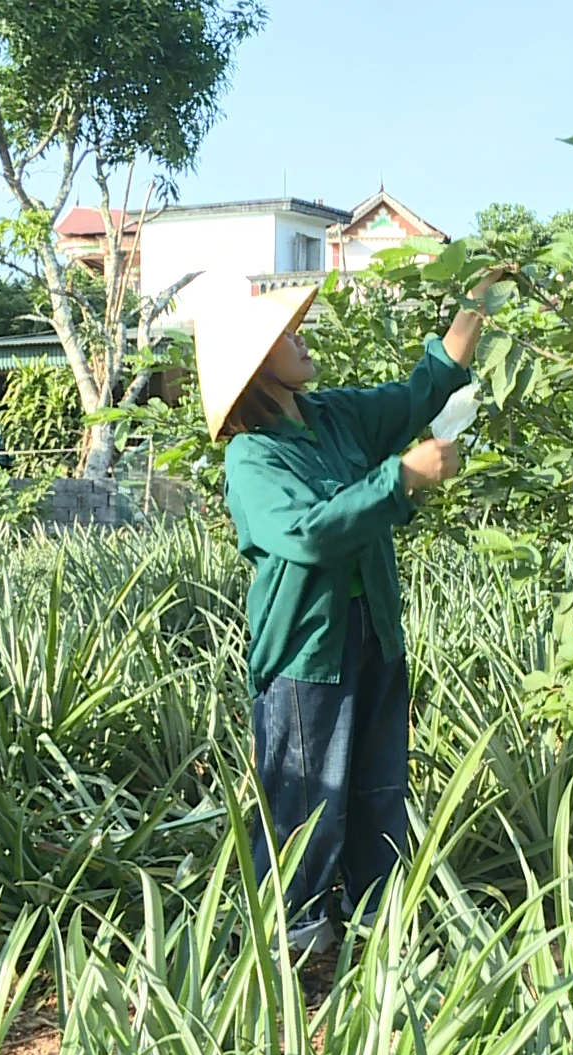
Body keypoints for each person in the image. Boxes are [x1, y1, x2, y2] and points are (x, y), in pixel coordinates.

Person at [194, 273, 497, 954]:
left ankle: (371, 928)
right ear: (255, 365)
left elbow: (422, 390)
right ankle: (289, 942)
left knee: (377, 786)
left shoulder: (335, 417)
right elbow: (306, 535)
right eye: (286, 335)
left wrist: (474, 303)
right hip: (307, 648)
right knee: (307, 805)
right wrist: (403, 478)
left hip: (372, 633)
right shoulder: (254, 456)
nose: (301, 339)